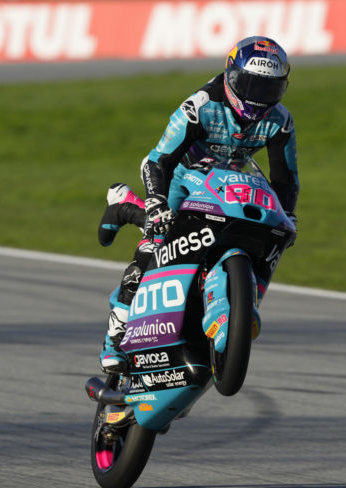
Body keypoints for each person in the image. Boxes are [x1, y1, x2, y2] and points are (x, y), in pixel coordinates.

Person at [97, 36, 299, 373]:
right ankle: (115, 337)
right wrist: (158, 203)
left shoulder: (280, 120)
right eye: (249, 84)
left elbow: (286, 178)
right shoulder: (201, 104)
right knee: (153, 245)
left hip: (233, 184)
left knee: (268, 232)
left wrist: (288, 215)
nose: (256, 97)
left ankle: (233, 305)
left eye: (268, 89)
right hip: (183, 179)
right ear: (230, 76)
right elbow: (156, 161)